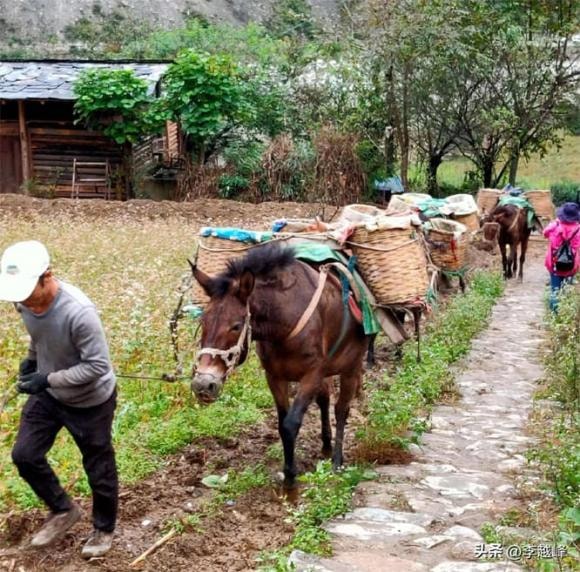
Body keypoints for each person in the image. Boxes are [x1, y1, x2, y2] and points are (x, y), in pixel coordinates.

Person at [0, 240, 118, 558]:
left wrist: (47, 378)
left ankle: (104, 529)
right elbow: (39, 338)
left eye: (27, 290)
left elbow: (97, 367)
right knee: (24, 454)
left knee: (98, 466)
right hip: (50, 394)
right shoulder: (23, 301)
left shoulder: (79, 313)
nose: (22, 300)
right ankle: (63, 509)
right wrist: (31, 359)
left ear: (47, 275)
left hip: (90, 401)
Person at [543, 202, 580, 312]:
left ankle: (554, 314)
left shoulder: (555, 226)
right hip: (572, 264)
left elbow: (545, 233)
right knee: (566, 290)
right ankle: (564, 312)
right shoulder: (578, 229)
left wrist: (556, 222)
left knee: (555, 290)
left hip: (554, 263)